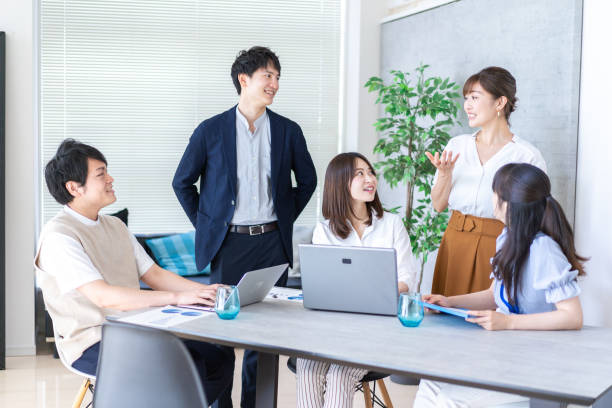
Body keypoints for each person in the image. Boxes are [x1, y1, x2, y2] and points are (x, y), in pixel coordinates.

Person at [35, 139, 234, 404]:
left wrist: (206, 291)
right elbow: (104, 297)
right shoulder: (59, 236)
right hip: (90, 340)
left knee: (217, 359)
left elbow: (154, 274)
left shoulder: (114, 225)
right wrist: (177, 298)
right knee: (185, 367)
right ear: (74, 187)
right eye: (101, 174)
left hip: (136, 329)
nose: (110, 178)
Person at [172, 46, 317, 407]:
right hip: (229, 245)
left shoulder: (287, 130)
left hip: (272, 245)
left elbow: (308, 181)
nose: (275, 83)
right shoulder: (210, 130)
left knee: (264, 338)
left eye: (278, 77)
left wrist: (282, 220)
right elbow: (182, 183)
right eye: (268, 75)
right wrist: (211, 227)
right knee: (222, 335)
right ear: (244, 79)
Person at [415, 163, 586, 407]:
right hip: (505, 354)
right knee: (430, 383)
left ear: (508, 203)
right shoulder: (507, 238)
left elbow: (573, 317)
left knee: (449, 399)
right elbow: (496, 295)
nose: (491, 197)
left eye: (494, 191)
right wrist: (449, 301)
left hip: (536, 364)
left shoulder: (544, 250)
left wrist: (508, 322)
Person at [296, 152, 418, 408]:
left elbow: (407, 279)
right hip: (332, 329)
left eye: (370, 172)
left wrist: (367, 295)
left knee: (340, 375)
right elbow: (324, 287)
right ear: (340, 183)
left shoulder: (392, 225)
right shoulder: (325, 231)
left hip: (377, 331)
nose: (370, 178)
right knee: (308, 368)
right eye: (359, 173)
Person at [426, 66, 547, 297]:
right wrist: (444, 174)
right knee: (446, 316)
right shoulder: (456, 146)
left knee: (487, 319)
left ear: (500, 103)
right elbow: (438, 205)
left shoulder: (526, 156)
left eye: (475, 97)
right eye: (466, 98)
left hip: (500, 246)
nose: (467, 106)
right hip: (454, 242)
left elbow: (533, 217)